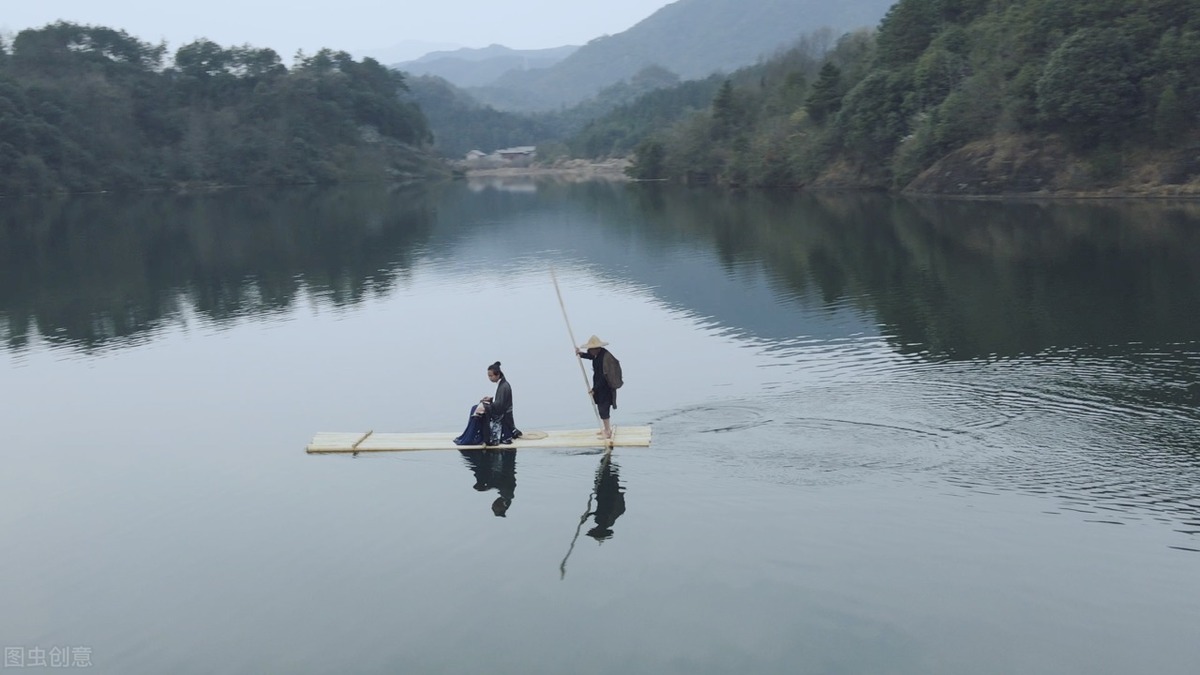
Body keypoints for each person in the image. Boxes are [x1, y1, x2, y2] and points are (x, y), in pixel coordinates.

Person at [453, 361, 521, 446]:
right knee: (475, 408)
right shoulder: (501, 384)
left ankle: (476, 437)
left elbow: (500, 406)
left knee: (476, 410)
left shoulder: (504, 386)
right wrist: (490, 399)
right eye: (488, 376)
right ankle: (471, 435)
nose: (489, 378)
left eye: (491, 376)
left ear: (498, 375)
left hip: (503, 416)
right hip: (499, 410)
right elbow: (499, 401)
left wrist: (486, 406)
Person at [577, 335, 619, 440]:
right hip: (600, 386)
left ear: (596, 348)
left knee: (603, 408)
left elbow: (603, 377)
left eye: (590, 349)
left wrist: (594, 389)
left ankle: (608, 432)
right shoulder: (598, 354)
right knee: (602, 408)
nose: (589, 351)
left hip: (605, 387)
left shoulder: (604, 358)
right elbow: (591, 356)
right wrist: (580, 354)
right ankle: (606, 429)